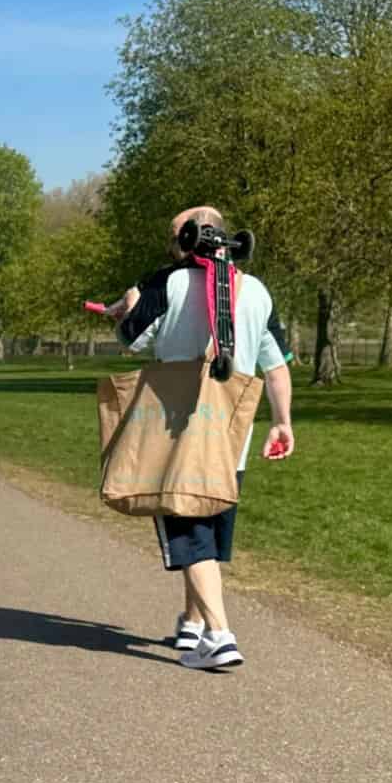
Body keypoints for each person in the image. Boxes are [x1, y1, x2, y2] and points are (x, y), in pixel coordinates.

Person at [108, 205, 296, 669]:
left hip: (179, 432)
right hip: (233, 437)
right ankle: (192, 626)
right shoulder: (254, 290)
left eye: (174, 237)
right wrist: (282, 421)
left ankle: (219, 635)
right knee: (207, 533)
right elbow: (276, 365)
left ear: (188, 240)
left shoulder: (167, 283)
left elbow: (131, 340)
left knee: (191, 536)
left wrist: (130, 305)